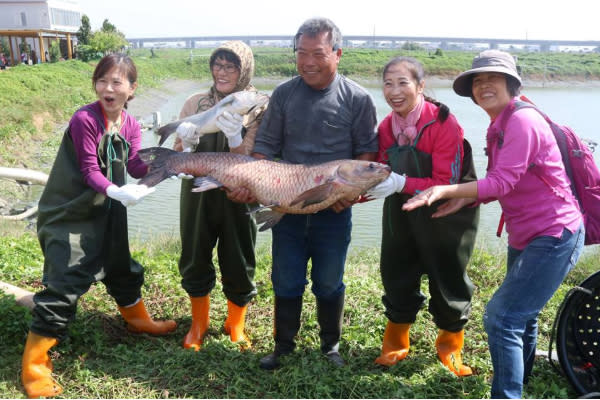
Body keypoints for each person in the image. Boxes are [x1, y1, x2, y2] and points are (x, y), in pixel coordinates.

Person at [402, 49, 585, 398]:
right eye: (478, 81)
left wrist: (443, 189)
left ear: (512, 83)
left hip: (554, 233)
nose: (484, 85)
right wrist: (464, 197)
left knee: (502, 317)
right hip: (528, 234)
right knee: (522, 316)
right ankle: (521, 380)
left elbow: (501, 182)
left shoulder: (522, 121)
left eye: (493, 78)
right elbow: (502, 181)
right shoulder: (500, 123)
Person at [21, 54, 175, 399]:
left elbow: (135, 165)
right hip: (70, 213)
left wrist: (173, 160)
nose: (108, 88)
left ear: (132, 89)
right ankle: (33, 365)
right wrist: (116, 190)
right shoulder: (84, 120)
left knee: (120, 266)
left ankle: (137, 321)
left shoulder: (132, 125)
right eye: (102, 80)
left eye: (117, 82)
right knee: (65, 280)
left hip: (106, 213)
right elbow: (91, 170)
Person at [250, 17, 378, 370]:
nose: (307, 62)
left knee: (328, 281)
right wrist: (257, 183)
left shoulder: (358, 99)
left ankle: (330, 346)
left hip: (334, 210)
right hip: (287, 207)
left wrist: (349, 194)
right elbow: (265, 147)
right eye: (301, 53)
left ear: (337, 54)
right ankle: (283, 346)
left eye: (317, 53)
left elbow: (367, 154)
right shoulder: (284, 94)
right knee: (286, 278)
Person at [364, 56, 479, 376]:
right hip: (402, 211)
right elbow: (380, 167)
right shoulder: (387, 126)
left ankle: (450, 348)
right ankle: (395, 344)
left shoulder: (444, 123)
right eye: (388, 83)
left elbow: (447, 183)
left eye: (403, 83)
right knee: (396, 269)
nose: (394, 91)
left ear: (421, 86)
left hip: (447, 212)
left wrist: (401, 182)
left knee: (448, 276)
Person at [172, 41, 267, 351]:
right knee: (195, 253)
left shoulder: (259, 107)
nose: (222, 72)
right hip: (198, 191)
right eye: (218, 65)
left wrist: (235, 136)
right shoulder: (195, 103)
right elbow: (175, 154)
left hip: (240, 191)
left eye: (231, 67)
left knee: (239, 256)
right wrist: (187, 144)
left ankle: (235, 323)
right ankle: (198, 324)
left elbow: (258, 159)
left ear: (245, 71)